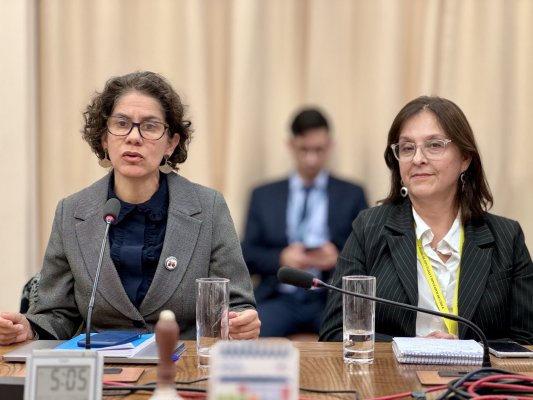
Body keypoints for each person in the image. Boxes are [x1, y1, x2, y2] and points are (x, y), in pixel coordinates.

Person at [0, 71, 260, 345]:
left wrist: (242, 321)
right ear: (104, 139)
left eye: (149, 126)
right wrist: (28, 329)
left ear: (171, 143)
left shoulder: (208, 207)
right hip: (101, 368)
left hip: (182, 366)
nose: (133, 137)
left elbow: (237, 304)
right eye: (121, 123)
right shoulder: (71, 211)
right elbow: (57, 313)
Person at [320, 95, 533, 344]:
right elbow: (335, 333)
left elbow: (526, 341)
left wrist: (468, 352)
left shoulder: (507, 237)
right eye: (407, 148)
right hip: (394, 382)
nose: (418, 158)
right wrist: (415, 348)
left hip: (476, 381)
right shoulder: (368, 228)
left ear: (465, 159)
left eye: (434, 145)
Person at [241, 107, 368, 337]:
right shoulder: (263, 195)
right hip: (279, 298)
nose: (311, 159)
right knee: (248, 339)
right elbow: (246, 254)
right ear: (291, 145)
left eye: (318, 150)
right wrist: (282, 258)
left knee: (353, 340)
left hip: (328, 298)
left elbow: (368, 256)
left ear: (329, 146)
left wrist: (337, 259)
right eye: (304, 150)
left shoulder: (352, 194)